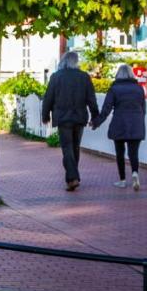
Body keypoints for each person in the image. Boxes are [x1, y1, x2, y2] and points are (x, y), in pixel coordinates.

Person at [41, 51, 99, 191]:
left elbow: (48, 98)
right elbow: (91, 98)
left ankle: (72, 177)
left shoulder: (56, 77)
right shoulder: (84, 77)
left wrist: (45, 115)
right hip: (79, 118)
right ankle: (72, 178)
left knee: (67, 148)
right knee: (75, 147)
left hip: (63, 118)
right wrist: (95, 115)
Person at [95, 64, 147, 190]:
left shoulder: (114, 89)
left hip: (119, 123)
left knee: (120, 153)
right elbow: (143, 108)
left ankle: (122, 180)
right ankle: (135, 173)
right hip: (136, 123)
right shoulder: (139, 89)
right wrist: (139, 120)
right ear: (131, 74)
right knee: (133, 152)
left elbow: (106, 108)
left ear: (118, 74)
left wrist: (97, 122)